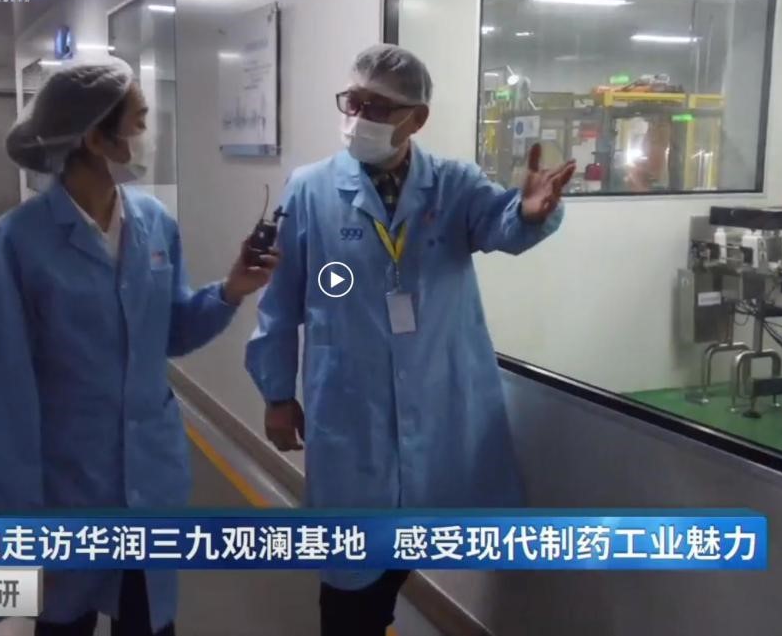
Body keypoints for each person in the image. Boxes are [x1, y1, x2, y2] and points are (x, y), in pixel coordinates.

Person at [244, 44, 574, 635]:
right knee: (349, 580)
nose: (359, 117)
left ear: (416, 119)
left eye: (378, 107)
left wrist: (528, 214)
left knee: (404, 551)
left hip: (438, 401)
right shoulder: (311, 189)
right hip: (350, 408)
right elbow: (280, 302)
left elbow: (502, 228)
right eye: (353, 102)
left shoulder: (453, 185)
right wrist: (275, 394)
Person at [0, 57, 277, 636]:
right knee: (64, 623)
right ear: (95, 137)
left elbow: (171, 332)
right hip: (69, 490)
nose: (148, 134)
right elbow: (6, 402)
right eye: (139, 120)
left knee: (147, 621)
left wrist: (231, 291)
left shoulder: (154, 223)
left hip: (150, 480)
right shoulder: (17, 243)